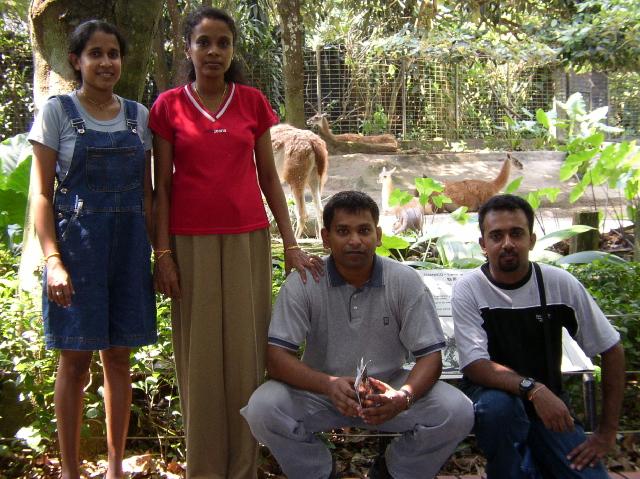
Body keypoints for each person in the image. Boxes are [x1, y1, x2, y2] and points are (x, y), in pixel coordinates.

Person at [149, 6, 321, 478]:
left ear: (232, 50)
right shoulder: (168, 106)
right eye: (204, 42)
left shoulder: (252, 103)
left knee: (246, 355)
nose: (213, 51)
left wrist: (291, 243)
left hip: (248, 241)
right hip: (190, 245)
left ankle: (244, 467)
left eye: (223, 43)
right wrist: (162, 254)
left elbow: (269, 179)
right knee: (201, 359)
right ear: (188, 48)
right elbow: (162, 187)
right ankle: (204, 468)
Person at [241, 190, 474, 479]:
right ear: (326, 238)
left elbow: (430, 357)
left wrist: (402, 397)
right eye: (343, 231)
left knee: (457, 411)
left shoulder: (404, 281)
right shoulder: (305, 281)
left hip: (387, 389)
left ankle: (394, 471)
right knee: (263, 408)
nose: (355, 240)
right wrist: (328, 385)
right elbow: (276, 359)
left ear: (378, 235)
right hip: (319, 390)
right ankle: (319, 472)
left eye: (364, 230)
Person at [28, 20, 156, 479]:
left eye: (113, 54)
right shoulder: (58, 113)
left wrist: (158, 254)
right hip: (77, 252)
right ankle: (70, 470)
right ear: (76, 61)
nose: (106, 62)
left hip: (129, 252)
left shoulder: (139, 116)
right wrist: (53, 261)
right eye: (95, 54)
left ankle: (115, 468)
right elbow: (41, 196)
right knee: (74, 360)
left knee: (119, 358)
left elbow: (147, 195)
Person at [451, 194, 625, 478]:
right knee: (499, 409)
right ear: (483, 244)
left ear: (531, 240)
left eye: (516, 233)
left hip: (549, 408)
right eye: (496, 236)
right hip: (496, 402)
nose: (507, 243)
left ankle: (539, 459)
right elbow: (475, 364)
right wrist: (534, 389)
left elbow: (611, 348)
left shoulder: (559, 283)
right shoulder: (470, 288)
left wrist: (606, 433)